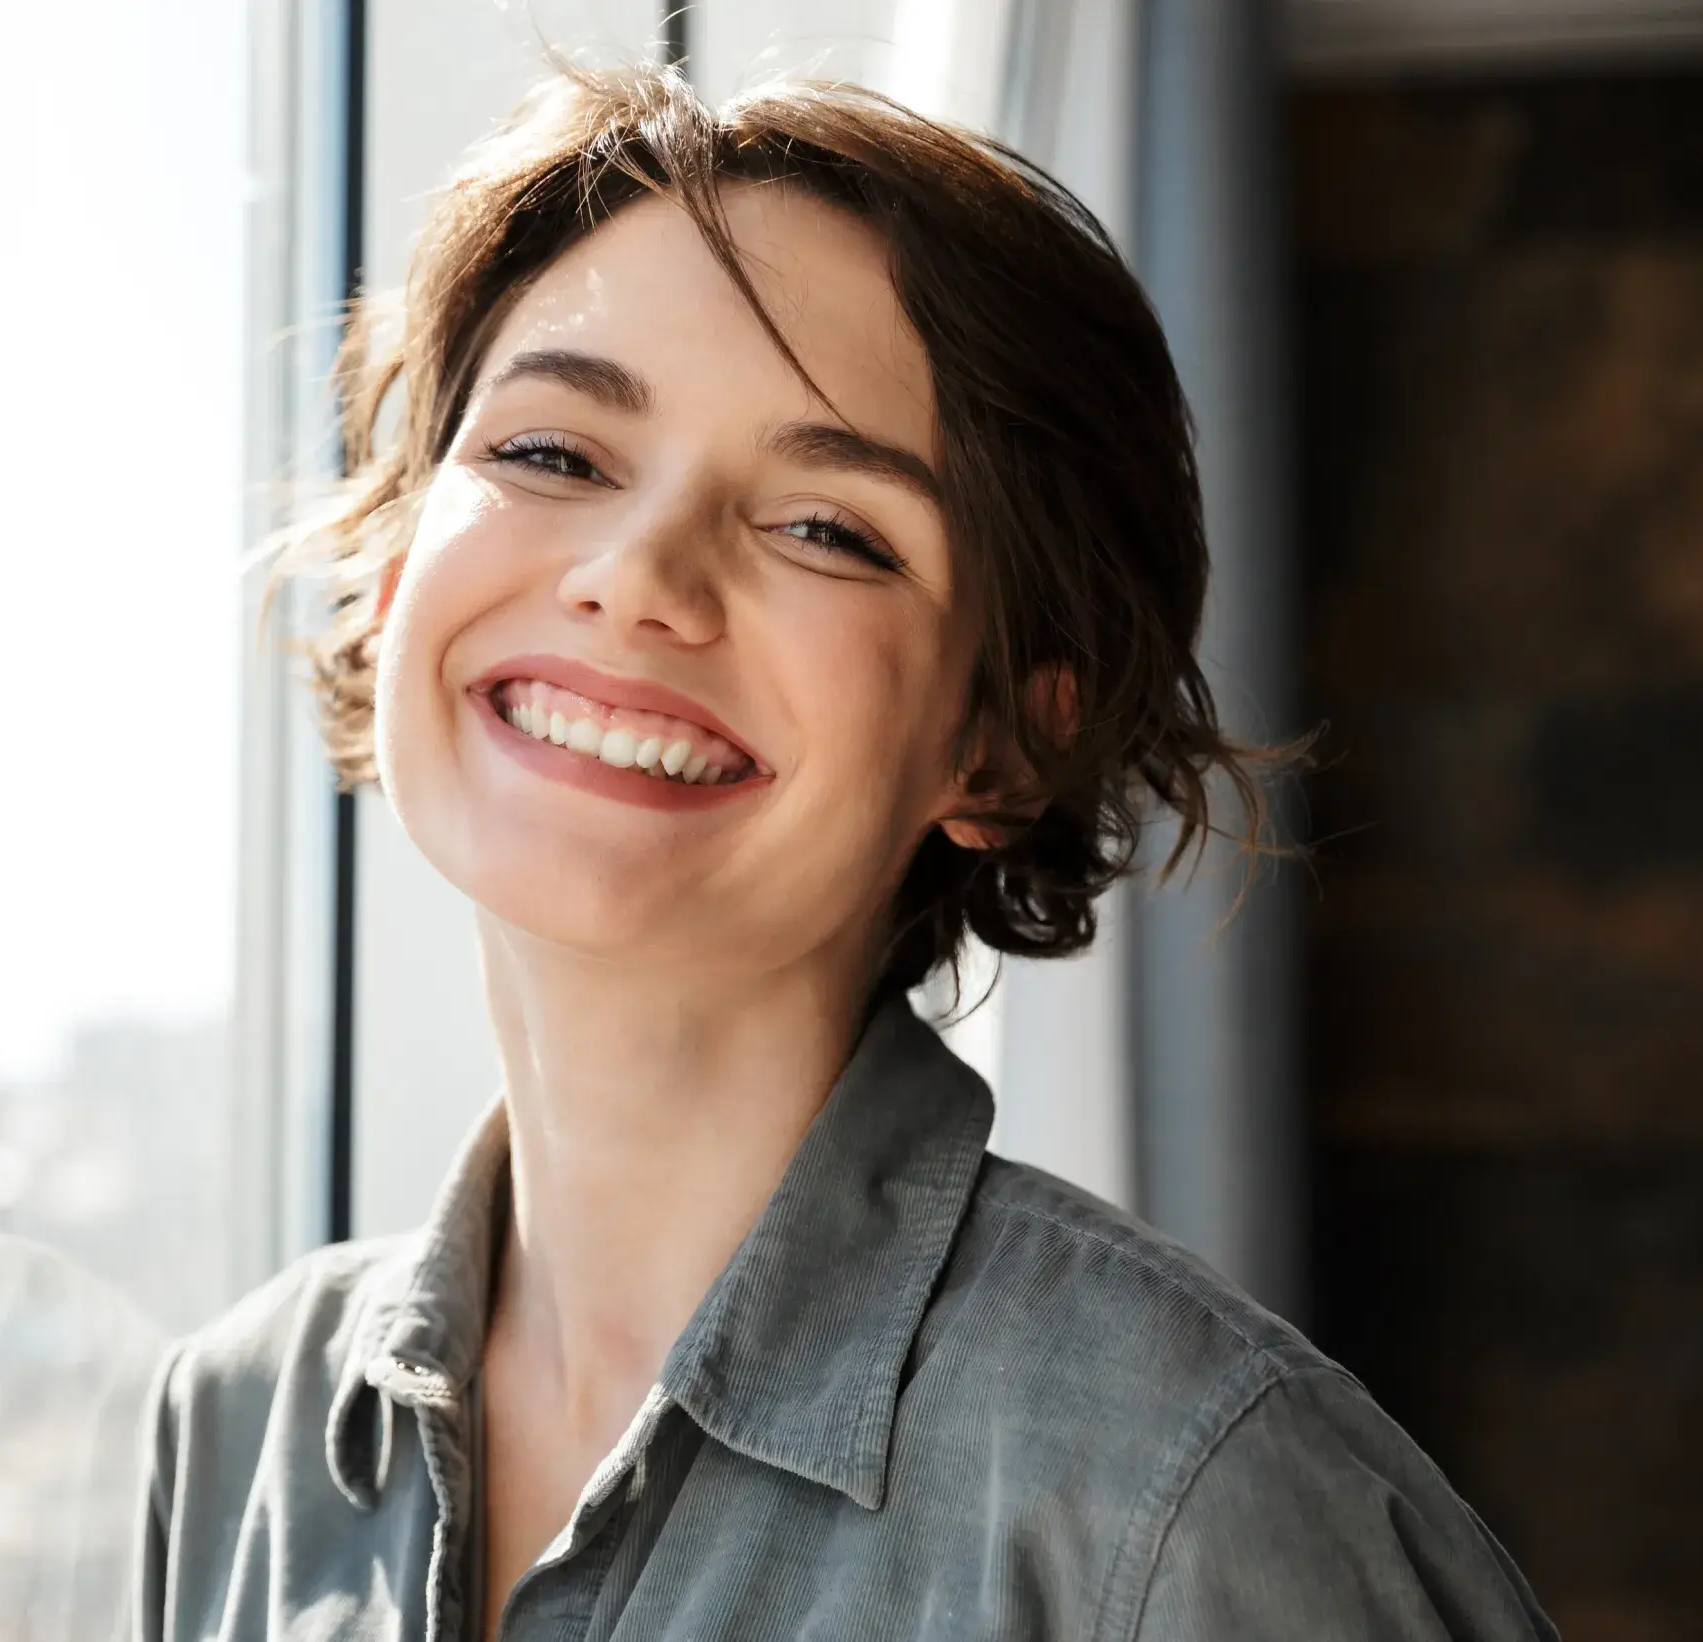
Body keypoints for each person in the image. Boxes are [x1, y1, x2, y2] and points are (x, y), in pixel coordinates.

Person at [133, 65, 1556, 1641]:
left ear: (997, 741)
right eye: (551, 455)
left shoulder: (1194, 1511)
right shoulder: (239, 1430)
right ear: (398, 579)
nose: (640, 575)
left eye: (827, 528)